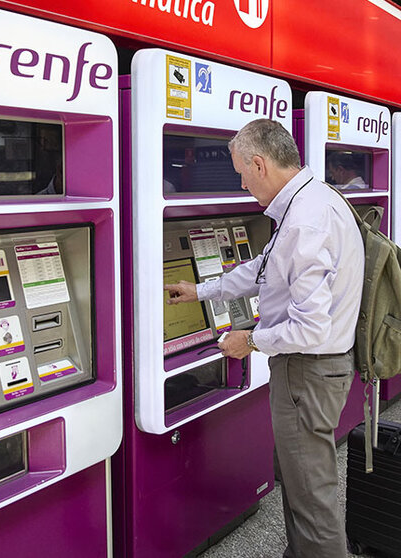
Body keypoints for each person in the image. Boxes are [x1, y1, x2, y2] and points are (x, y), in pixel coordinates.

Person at [164, 119, 364, 558]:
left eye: (241, 173)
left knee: (311, 495)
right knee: (300, 480)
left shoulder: (304, 223)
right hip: (313, 371)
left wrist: (250, 342)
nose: (241, 183)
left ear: (260, 163)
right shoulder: (314, 201)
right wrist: (202, 290)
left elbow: (311, 327)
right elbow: (264, 270)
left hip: (307, 371)